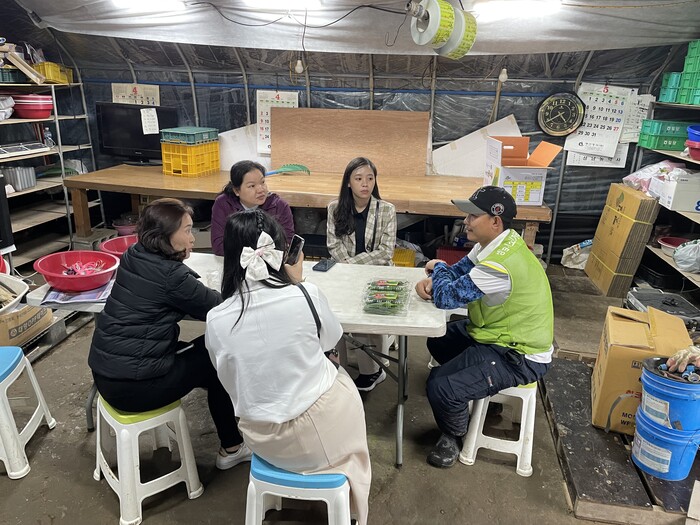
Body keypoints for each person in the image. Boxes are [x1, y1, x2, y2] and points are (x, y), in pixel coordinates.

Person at [206, 209, 371, 525]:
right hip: (318, 436)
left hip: (261, 439)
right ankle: (347, 506)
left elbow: (228, 378)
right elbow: (331, 340)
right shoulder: (305, 295)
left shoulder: (216, 319)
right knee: (337, 372)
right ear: (281, 252)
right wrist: (297, 283)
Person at [88, 198, 250, 470]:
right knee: (217, 355)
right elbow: (220, 309)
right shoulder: (173, 278)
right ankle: (232, 447)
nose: (192, 238)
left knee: (204, 353)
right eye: (187, 231)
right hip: (135, 387)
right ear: (164, 236)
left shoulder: (133, 254)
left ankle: (228, 418)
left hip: (106, 374)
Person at [415, 186, 553, 468]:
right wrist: (438, 277)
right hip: (495, 335)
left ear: (495, 221)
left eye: (472, 216)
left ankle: (454, 435)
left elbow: (447, 297)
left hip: (518, 354)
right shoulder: (496, 244)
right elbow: (457, 273)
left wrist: (437, 268)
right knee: (438, 339)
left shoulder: (500, 264)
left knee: (439, 386)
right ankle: (478, 388)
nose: (465, 221)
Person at [326, 157, 397, 391]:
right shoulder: (335, 208)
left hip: (376, 273)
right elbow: (333, 244)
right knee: (333, 315)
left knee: (365, 319)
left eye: (370, 178)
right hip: (344, 273)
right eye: (358, 178)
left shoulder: (386, 209)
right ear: (348, 182)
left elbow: (386, 252)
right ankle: (339, 367)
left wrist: (352, 264)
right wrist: (347, 267)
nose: (365, 184)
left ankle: (373, 370)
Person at [211, 160, 294, 255]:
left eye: (262, 182)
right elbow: (219, 246)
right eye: (252, 186)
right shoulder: (224, 203)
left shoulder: (279, 206)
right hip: (235, 261)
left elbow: (287, 244)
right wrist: (257, 252)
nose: (261, 190)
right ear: (236, 191)